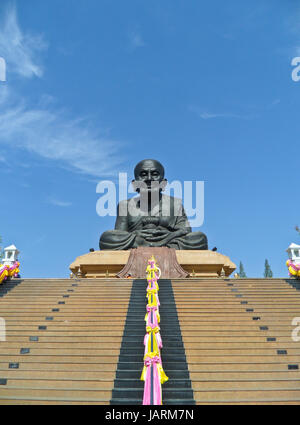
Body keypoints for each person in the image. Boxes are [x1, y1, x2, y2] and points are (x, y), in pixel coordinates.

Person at [99, 159, 208, 251]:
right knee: (107, 237)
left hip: (168, 240)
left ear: (164, 183)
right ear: (134, 183)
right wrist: (137, 236)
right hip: (138, 241)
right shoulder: (125, 205)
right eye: (143, 175)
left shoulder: (175, 203)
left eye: (155, 174)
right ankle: (151, 246)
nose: (149, 178)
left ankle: (150, 246)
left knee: (199, 238)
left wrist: (169, 236)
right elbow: (119, 234)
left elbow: (185, 230)